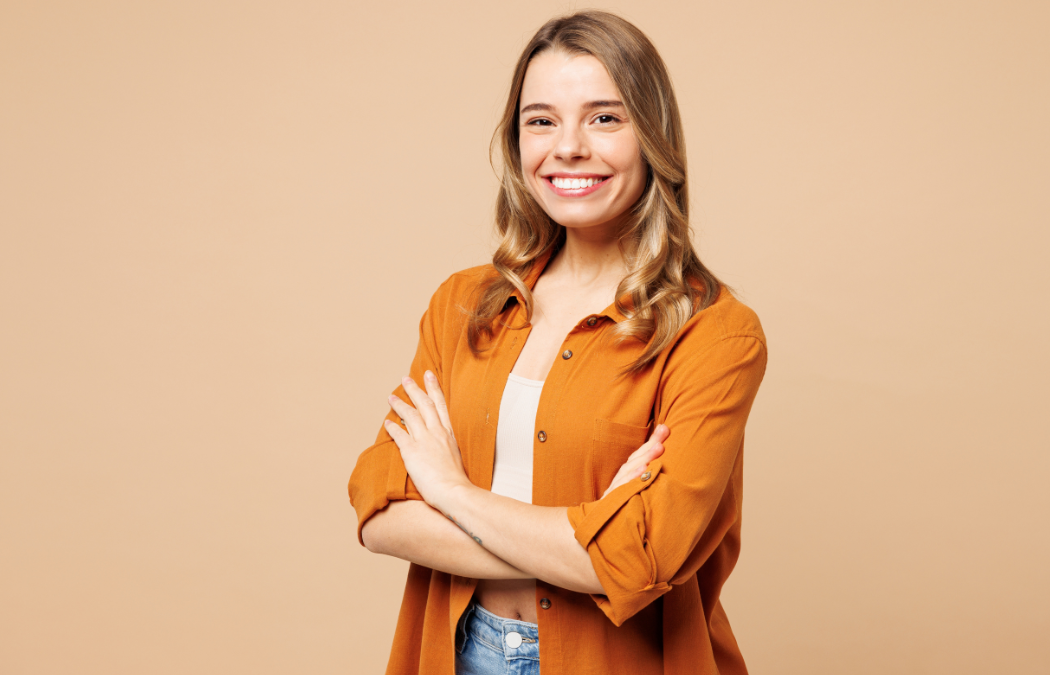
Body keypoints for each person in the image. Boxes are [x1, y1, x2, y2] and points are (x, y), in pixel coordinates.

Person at [348, 10, 767, 675]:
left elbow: (643, 557)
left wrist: (450, 491)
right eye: (541, 120)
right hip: (462, 653)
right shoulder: (460, 304)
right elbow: (379, 510)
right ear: (517, 142)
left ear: (651, 135)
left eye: (605, 118)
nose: (568, 147)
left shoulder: (714, 332)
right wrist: (590, 535)